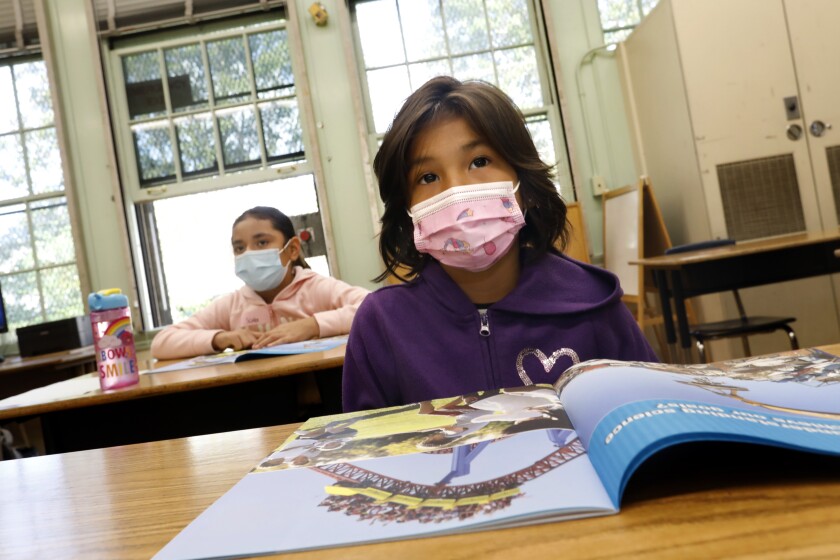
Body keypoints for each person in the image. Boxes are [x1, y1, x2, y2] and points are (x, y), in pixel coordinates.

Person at [342, 76, 658, 412]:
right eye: (428, 177)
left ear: (523, 182)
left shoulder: (592, 301)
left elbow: (654, 420)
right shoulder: (381, 326)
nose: (456, 191)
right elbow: (370, 456)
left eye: (479, 161)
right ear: (407, 211)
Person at [151, 206, 370, 360]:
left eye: (262, 242)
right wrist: (220, 338)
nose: (248, 253)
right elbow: (162, 343)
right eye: (239, 248)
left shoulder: (316, 288)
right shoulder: (233, 304)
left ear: (292, 249)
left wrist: (312, 325)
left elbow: (371, 308)